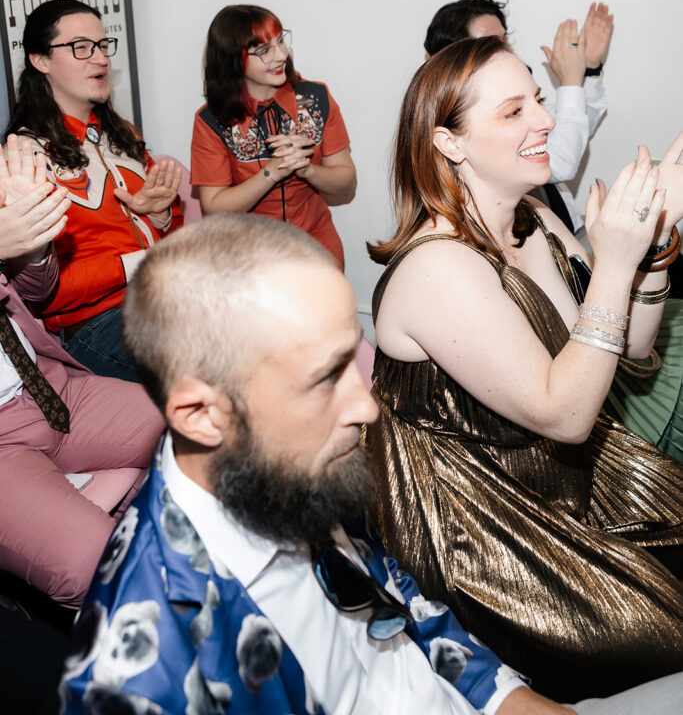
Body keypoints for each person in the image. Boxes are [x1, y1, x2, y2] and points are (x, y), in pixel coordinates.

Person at [60, 214, 681, 715]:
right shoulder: (142, 674)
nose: (367, 408)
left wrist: (514, 701)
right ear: (201, 415)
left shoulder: (288, 468)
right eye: (324, 379)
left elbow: (406, 604)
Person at [365, 36, 683, 702]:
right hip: (485, 527)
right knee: (668, 631)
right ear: (449, 143)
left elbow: (622, 348)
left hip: (565, 480)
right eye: (514, 111)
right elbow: (565, 415)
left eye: (537, 100)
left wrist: (652, 251)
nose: (544, 119)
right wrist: (614, 263)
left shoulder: (531, 216)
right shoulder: (437, 266)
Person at [0, 135, 164, 607]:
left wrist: (33, 243)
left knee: (206, 429)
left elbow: (36, 291)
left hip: (50, 387)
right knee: (98, 565)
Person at [5, 0, 182, 381]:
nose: (100, 58)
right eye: (81, 47)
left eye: (102, 45)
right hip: (95, 324)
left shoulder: (122, 132)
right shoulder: (24, 157)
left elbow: (170, 230)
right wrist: (139, 263)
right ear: (41, 60)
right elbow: (44, 293)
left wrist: (160, 216)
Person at [424, 0, 613, 238]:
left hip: (567, 234)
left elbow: (574, 126)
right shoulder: (448, 126)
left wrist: (589, 69)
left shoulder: (516, 96)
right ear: (455, 59)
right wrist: (571, 81)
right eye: (490, 43)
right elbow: (562, 159)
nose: (505, 50)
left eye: (504, 40)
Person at [190, 4, 356, 267]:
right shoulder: (212, 120)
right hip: (250, 255)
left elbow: (346, 183)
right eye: (264, 50)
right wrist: (272, 171)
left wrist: (306, 169)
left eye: (280, 41)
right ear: (233, 60)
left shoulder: (316, 98)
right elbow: (214, 208)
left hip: (315, 244)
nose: (281, 56)